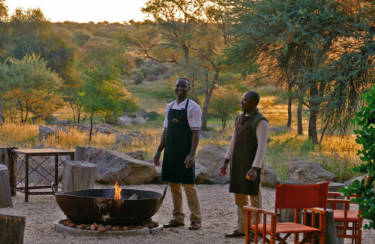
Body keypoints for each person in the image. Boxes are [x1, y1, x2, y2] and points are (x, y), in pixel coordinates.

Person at [153, 78, 202, 230]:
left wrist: (192, 154)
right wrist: (159, 150)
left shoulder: (194, 107)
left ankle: (196, 220)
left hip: (185, 153)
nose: (180, 88)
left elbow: (195, 133)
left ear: (189, 88)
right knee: (174, 185)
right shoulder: (169, 107)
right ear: (174, 88)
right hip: (171, 152)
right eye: (178, 85)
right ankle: (178, 218)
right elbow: (166, 131)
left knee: (189, 186)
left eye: (183, 86)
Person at [220, 91, 269, 238]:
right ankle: (242, 229)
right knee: (239, 197)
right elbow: (233, 140)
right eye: (242, 99)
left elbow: (262, 147)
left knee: (254, 196)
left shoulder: (261, 121)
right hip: (238, 162)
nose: (242, 102)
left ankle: (256, 230)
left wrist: (255, 168)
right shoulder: (239, 118)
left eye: (245, 100)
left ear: (254, 103)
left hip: (252, 164)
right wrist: (226, 161)